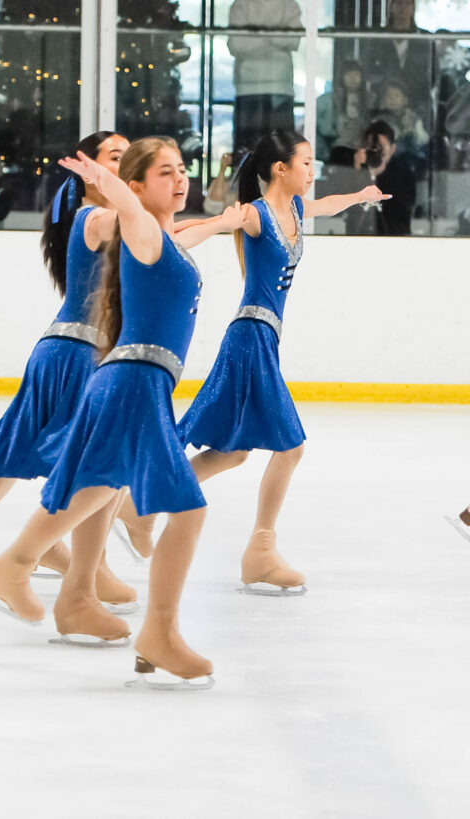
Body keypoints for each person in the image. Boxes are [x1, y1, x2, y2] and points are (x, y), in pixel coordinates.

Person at [0, 139, 245, 681]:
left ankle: (45, 582)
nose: (181, 179)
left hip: (133, 379)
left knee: (102, 486)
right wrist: (110, 181)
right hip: (134, 381)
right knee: (183, 508)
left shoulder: (165, 238)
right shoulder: (138, 230)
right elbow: (136, 211)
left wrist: (223, 221)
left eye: (183, 169)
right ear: (137, 189)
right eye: (165, 173)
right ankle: (156, 631)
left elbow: (185, 233)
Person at [0, 131, 137, 611]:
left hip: (78, 352)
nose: (129, 165)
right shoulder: (98, 216)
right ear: (88, 169)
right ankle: (77, 562)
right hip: (72, 354)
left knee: (43, 450)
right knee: (90, 460)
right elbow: (150, 227)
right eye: (117, 158)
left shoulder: (106, 216)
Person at [175, 130, 387, 595]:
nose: (312, 172)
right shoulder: (256, 215)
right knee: (290, 447)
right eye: (306, 163)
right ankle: (261, 550)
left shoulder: (293, 210)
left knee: (233, 450)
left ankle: (143, 500)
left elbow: (326, 205)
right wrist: (192, 229)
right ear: (280, 169)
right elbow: (202, 231)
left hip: (263, 338)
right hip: (250, 336)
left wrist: (360, 194)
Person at [227, 0, 302, 156]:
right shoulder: (241, 5)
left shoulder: (289, 5)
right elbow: (236, 45)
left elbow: (294, 40)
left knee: (281, 154)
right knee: (247, 153)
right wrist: (275, 34)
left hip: (280, 88)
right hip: (248, 89)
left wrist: (256, 34)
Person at [346, 120, 416, 236]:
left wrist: (379, 175)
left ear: (392, 148)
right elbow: (347, 206)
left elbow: (402, 210)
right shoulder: (357, 171)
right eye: (372, 148)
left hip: (394, 237)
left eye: (381, 148)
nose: (376, 152)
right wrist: (359, 171)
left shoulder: (404, 173)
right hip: (359, 237)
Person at [316, 59, 372, 167]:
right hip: (338, 150)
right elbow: (317, 125)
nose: (353, 79)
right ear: (342, 77)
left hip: (362, 149)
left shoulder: (370, 100)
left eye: (356, 75)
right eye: (348, 75)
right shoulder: (328, 100)